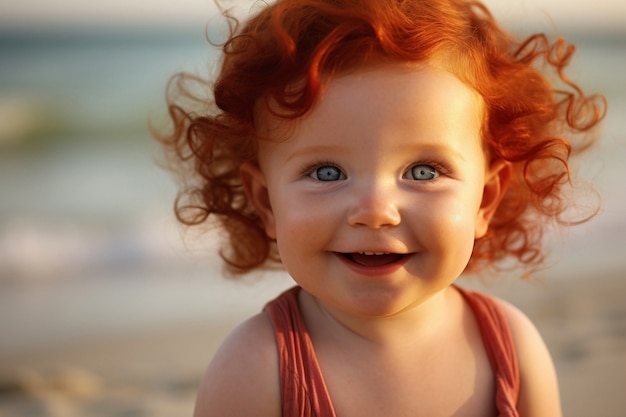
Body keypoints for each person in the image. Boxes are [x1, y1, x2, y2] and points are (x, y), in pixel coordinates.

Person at [155, 0, 606, 415]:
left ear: (484, 200)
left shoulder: (512, 346)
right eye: (327, 173)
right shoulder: (255, 370)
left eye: (424, 172)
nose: (375, 211)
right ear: (265, 202)